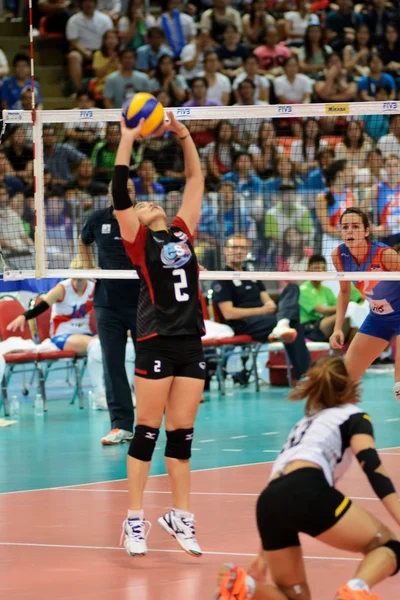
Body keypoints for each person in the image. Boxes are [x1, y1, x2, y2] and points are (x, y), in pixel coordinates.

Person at [214, 355, 400, 600]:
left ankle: (244, 586)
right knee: (388, 546)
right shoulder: (353, 417)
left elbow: (281, 492)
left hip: (268, 502)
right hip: (307, 489)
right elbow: (372, 467)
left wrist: (263, 555)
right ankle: (356, 589)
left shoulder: (304, 425)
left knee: (293, 596)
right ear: (351, 384)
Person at [113, 111, 205, 558]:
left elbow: (194, 179)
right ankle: (134, 520)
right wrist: (129, 137)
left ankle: (179, 517)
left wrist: (183, 133)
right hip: (154, 339)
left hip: (190, 340)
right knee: (146, 431)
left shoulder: (183, 232)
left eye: (151, 201)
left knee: (181, 435)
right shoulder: (137, 241)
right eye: (141, 203)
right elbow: (118, 191)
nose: (147, 202)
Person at [6, 258, 135, 410]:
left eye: (80, 278)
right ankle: (100, 395)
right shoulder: (63, 288)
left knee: (126, 345)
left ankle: (126, 391)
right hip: (62, 336)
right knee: (97, 344)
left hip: (85, 334)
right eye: (74, 278)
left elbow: (113, 304)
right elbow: (43, 305)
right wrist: (24, 316)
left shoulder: (93, 287)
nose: (77, 282)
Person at [79, 179, 139, 445]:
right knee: (112, 364)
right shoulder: (97, 219)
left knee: (150, 363)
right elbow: (83, 242)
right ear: (109, 193)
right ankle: (122, 426)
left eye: (130, 189)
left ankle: (152, 421)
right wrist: (89, 266)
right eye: (121, 189)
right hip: (107, 303)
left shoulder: (144, 216)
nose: (127, 193)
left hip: (142, 302)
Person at [212, 234, 310, 381]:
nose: (239, 251)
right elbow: (228, 313)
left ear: (247, 251)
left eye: (243, 248)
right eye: (235, 247)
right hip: (244, 323)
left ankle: (283, 323)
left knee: (292, 288)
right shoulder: (222, 278)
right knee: (294, 324)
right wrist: (263, 310)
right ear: (226, 250)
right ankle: (304, 374)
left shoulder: (252, 275)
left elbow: (267, 301)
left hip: (264, 318)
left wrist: (270, 305)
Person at [330, 207, 400, 397]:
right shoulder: (339, 256)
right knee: (344, 384)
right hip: (378, 318)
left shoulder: (386, 255)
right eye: (345, 227)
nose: (349, 231)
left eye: (355, 226)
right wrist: (337, 328)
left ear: (367, 231)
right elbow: (344, 292)